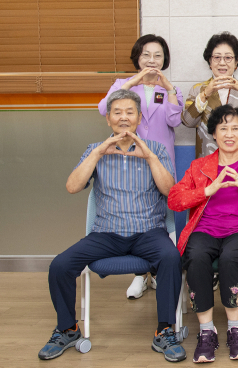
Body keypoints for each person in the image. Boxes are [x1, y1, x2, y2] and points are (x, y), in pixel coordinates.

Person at [38, 89, 185, 362]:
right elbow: (72, 187)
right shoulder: (95, 150)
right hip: (106, 233)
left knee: (171, 257)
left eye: (130, 112)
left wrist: (149, 158)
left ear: (139, 117)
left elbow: (170, 193)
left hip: (148, 231)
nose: (124, 118)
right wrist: (96, 154)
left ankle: (165, 330)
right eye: (117, 112)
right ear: (108, 119)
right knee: (60, 265)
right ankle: (68, 328)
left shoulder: (156, 149)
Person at [168, 105, 238, 362]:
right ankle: (206, 332)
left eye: (235, 128)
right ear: (214, 135)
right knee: (195, 256)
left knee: (230, 258)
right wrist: (206, 191)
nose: (229, 134)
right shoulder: (200, 167)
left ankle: (235, 329)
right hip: (204, 230)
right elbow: (174, 200)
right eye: (223, 128)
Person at [99, 34, 183, 300]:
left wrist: (169, 90)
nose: (152, 60)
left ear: (164, 60)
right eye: (147, 54)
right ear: (137, 57)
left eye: (158, 55)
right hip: (128, 157)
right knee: (134, 211)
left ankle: (158, 270)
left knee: (159, 213)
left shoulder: (169, 89)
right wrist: (132, 82)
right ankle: (139, 275)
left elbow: (175, 120)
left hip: (160, 158)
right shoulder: (123, 85)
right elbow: (104, 108)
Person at [182, 31, 238, 159]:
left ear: (236, 62)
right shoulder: (198, 89)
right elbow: (187, 121)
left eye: (228, 58)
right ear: (210, 62)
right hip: (206, 158)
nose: (222, 63)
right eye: (216, 57)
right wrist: (205, 94)